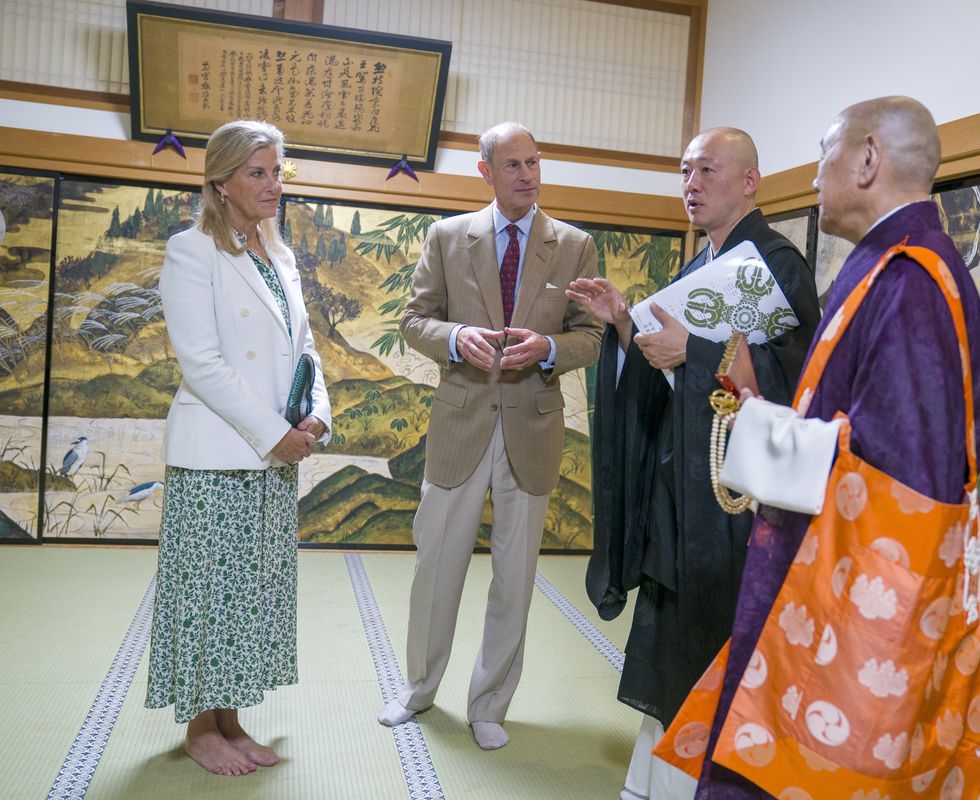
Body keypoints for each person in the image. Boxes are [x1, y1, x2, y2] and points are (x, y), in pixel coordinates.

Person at [657, 97, 980, 799]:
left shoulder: (910, 281)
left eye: (824, 154)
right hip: (810, 560)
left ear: (869, 159)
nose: (813, 177)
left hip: (849, 595)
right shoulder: (888, 264)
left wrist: (755, 425)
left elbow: (900, 476)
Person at [568, 128, 820, 799]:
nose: (691, 183)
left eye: (707, 169)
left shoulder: (778, 265)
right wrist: (626, 325)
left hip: (734, 510)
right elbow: (663, 366)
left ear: (749, 182)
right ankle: (656, 784)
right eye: (684, 171)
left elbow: (794, 385)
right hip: (679, 498)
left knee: (718, 651)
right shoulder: (698, 268)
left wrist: (698, 354)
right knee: (671, 641)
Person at [376, 122, 603, 750]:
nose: (527, 175)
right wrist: (455, 339)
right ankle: (418, 690)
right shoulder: (448, 236)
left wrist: (552, 347)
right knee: (436, 567)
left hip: (533, 425)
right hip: (460, 420)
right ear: (485, 171)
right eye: (513, 165)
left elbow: (594, 334)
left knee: (515, 573)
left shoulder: (575, 244)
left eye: (534, 163)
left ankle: (490, 703)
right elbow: (412, 319)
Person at [146, 119, 331, 776]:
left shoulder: (278, 256)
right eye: (258, 172)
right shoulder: (191, 250)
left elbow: (304, 349)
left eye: (277, 171)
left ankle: (230, 717)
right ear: (221, 182)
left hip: (274, 456)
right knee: (209, 594)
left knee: (249, 594)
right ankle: (200, 727)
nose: (272, 184)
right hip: (219, 455)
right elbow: (202, 363)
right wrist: (273, 433)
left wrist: (314, 419)